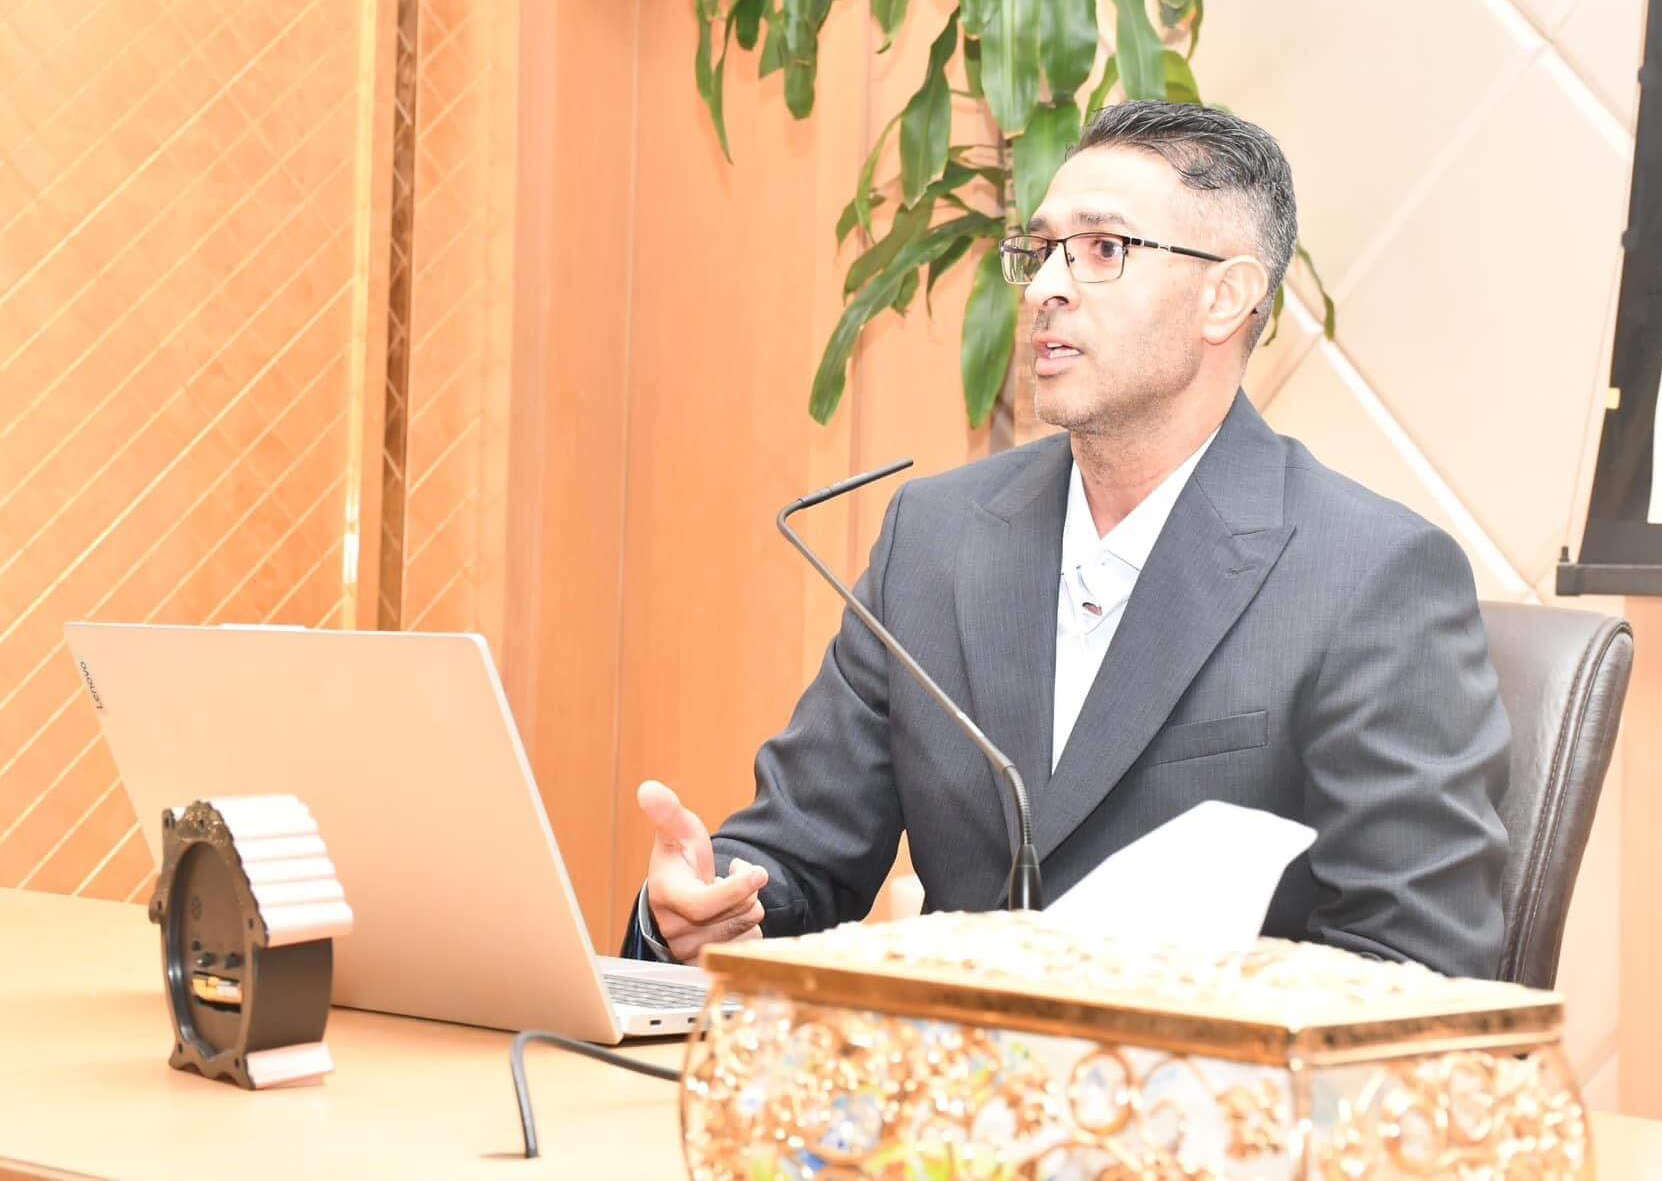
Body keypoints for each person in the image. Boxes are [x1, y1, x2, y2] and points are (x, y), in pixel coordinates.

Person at [622, 101, 1510, 978]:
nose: (1046, 286)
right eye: (1042, 250)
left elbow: (1416, 966)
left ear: (1225, 297)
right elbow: (800, 849)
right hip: (945, 1068)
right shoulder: (934, 538)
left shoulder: (1369, 576)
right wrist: (704, 906)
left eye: (1102, 249)